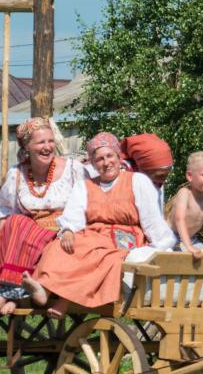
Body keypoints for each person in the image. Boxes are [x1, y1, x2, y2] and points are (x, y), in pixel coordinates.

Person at [24, 131, 176, 312]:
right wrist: (68, 231)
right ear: (93, 164)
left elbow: (152, 219)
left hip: (123, 240)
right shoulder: (85, 186)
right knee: (59, 247)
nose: (106, 163)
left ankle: (63, 302)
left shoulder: (137, 181)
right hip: (92, 235)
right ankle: (45, 290)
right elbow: (74, 215)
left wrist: (159, 246)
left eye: (110, 156)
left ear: (118, 157)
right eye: (100, 159)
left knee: (100, 256)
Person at [0, 117, 84, 325]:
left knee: (23, 228)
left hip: (65, 231)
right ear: (27, 147)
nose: (47, 147)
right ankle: (17, 294)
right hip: (30, 234)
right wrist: (4, 228)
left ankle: (4, 297)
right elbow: (1, 208)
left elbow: (88, 203)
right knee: (17, 223)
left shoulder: (73, 170)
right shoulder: (16, 175)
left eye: (50, 141)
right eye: (41, 143)